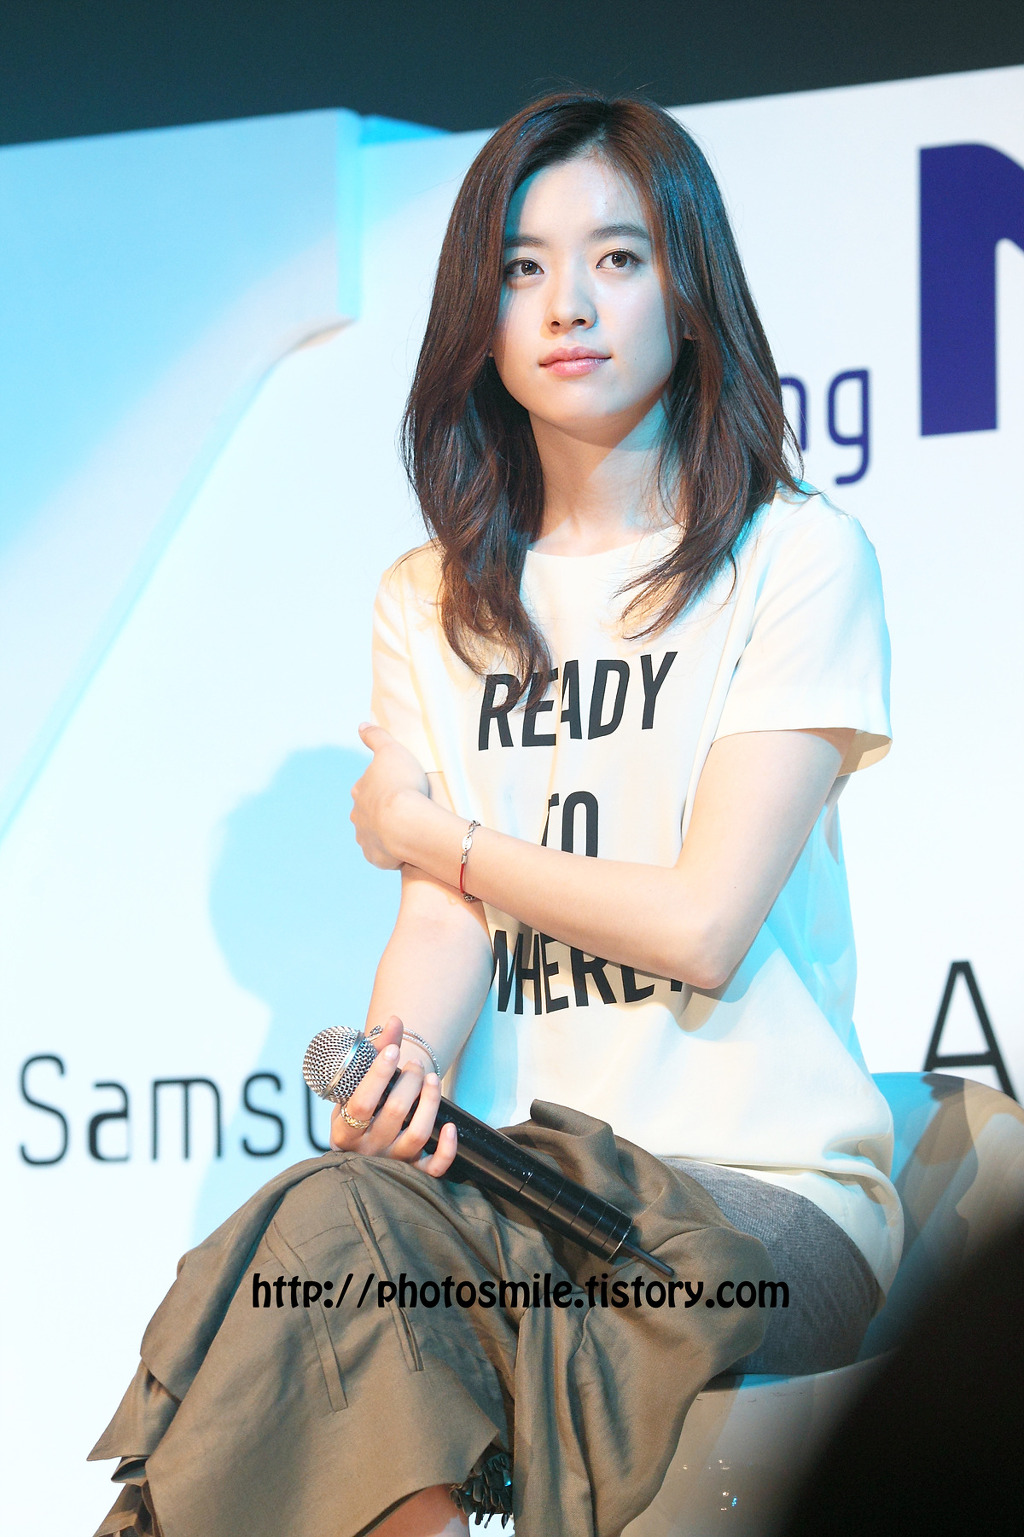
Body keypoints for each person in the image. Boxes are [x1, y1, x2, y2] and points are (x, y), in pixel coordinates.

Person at [90, 93, 902, 1537]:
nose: (567, 303)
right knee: (325, 1246)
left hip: (763, 1216)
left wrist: (437, 835)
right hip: (521, 1200)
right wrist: (398, 1069)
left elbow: (704, 926)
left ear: (691, 293)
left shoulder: (796, 558)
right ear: (482, 313)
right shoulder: (432, 601)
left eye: (617, 258)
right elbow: (441, 930)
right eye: (523, 267)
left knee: (352, 1284)